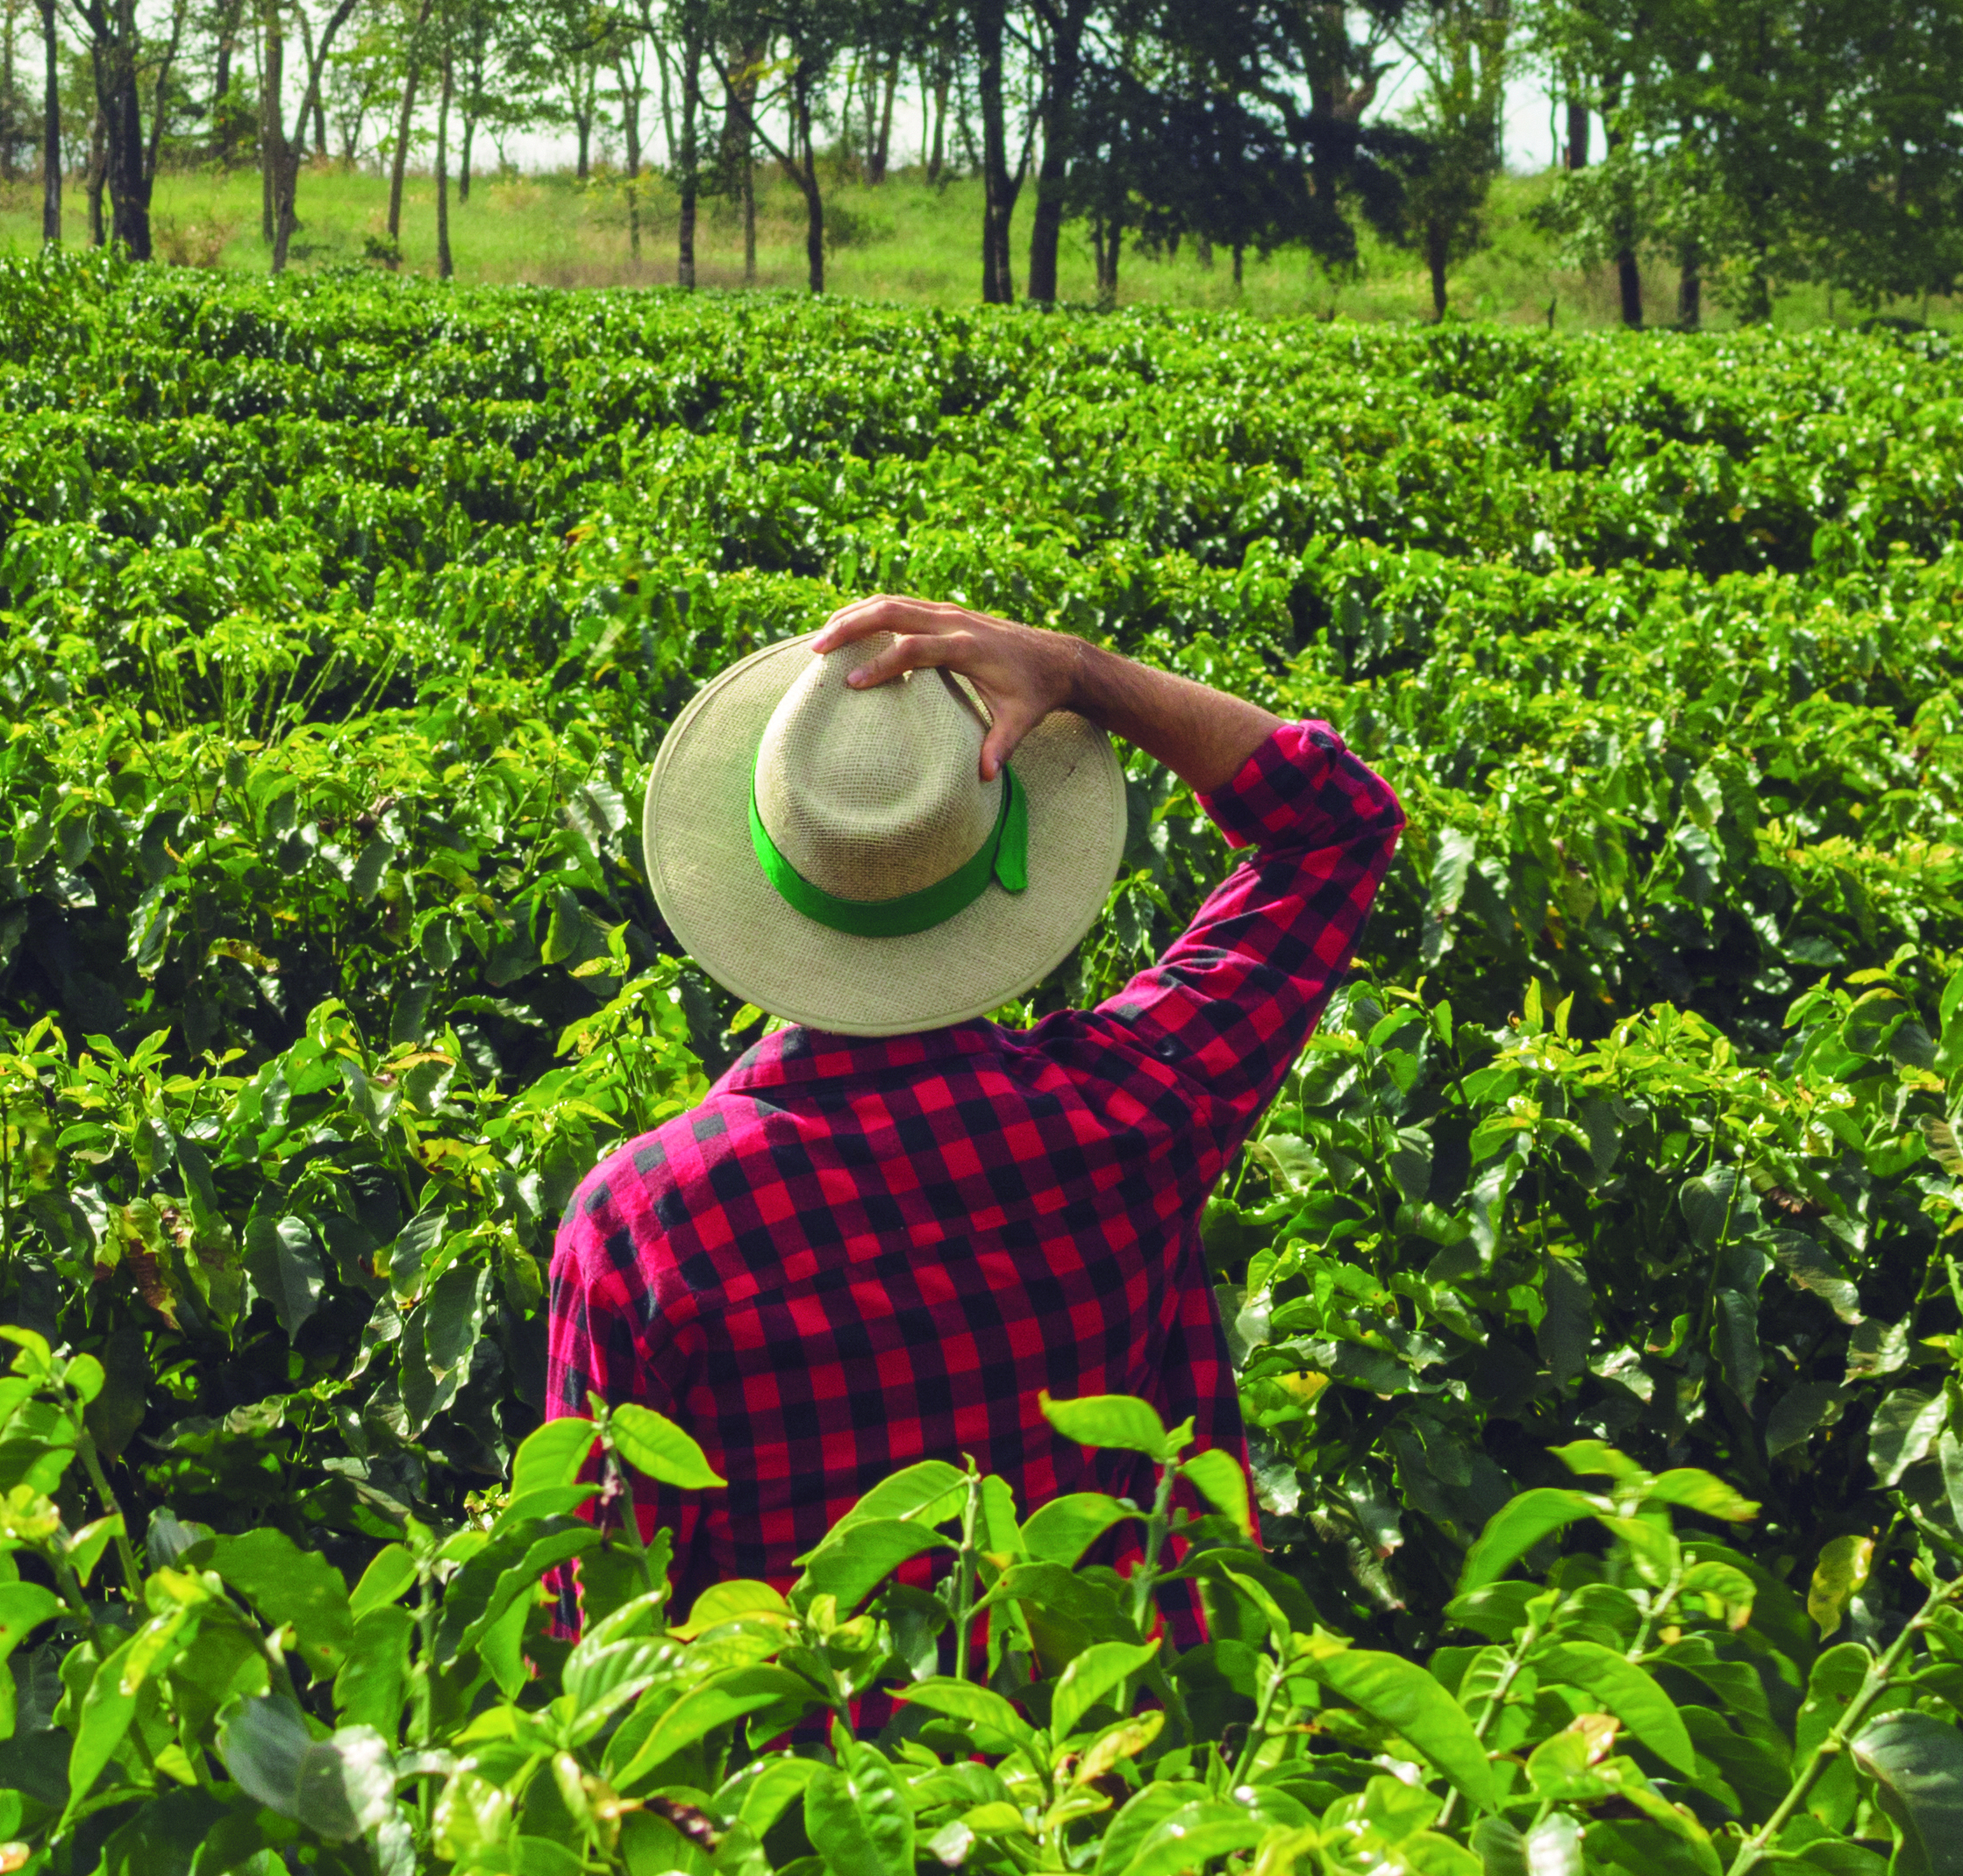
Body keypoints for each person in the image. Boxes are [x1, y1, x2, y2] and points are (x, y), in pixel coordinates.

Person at [540, 591, 1403, 1601]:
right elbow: (1335, 826)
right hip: (1106, 1742)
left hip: (806, 1750)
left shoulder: (647, 1223)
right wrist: (1079, 672)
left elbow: (595, 1608)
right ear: (998, 864)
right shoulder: (1129, 1113)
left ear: (766, 875)